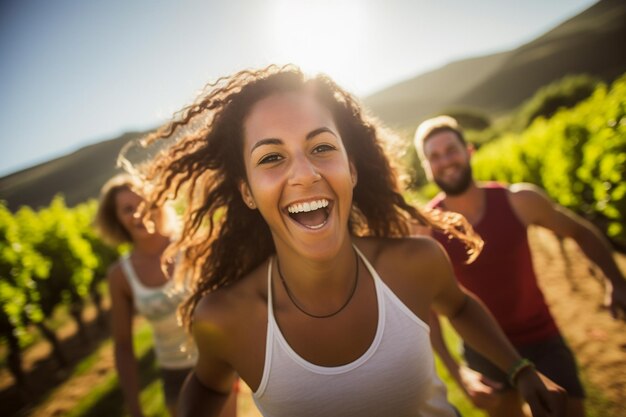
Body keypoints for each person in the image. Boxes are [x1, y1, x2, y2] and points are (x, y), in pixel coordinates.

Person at [129, 65, 567, 417]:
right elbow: (205, 385)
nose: (304, 173)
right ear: (246, 191)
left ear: (352, 169)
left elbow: (461, 305)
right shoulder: (226, 319)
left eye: (321, 147)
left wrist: (521, 370)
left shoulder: (415, 263)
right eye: (272, 157)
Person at [413, 115, 626, 417]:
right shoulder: (425, 229)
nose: (445, 161)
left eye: (451, 150)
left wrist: (616, 280)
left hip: (543, 336)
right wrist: (458, 372)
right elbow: (428, 308)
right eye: (434, 156)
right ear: (426, 168)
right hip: (482, 348)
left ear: (469, 150)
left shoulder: (518, 200)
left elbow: (579, 232)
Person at [94, 175, 237, 417]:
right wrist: (134, 407)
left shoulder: (191, 245)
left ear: (157, 202)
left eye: (143, 202)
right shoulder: (120, 276)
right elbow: (123, 346)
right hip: (174, 375)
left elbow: (232, 299)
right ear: (117, 219)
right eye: (127, 209)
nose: (138, 213)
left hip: (216, 362)